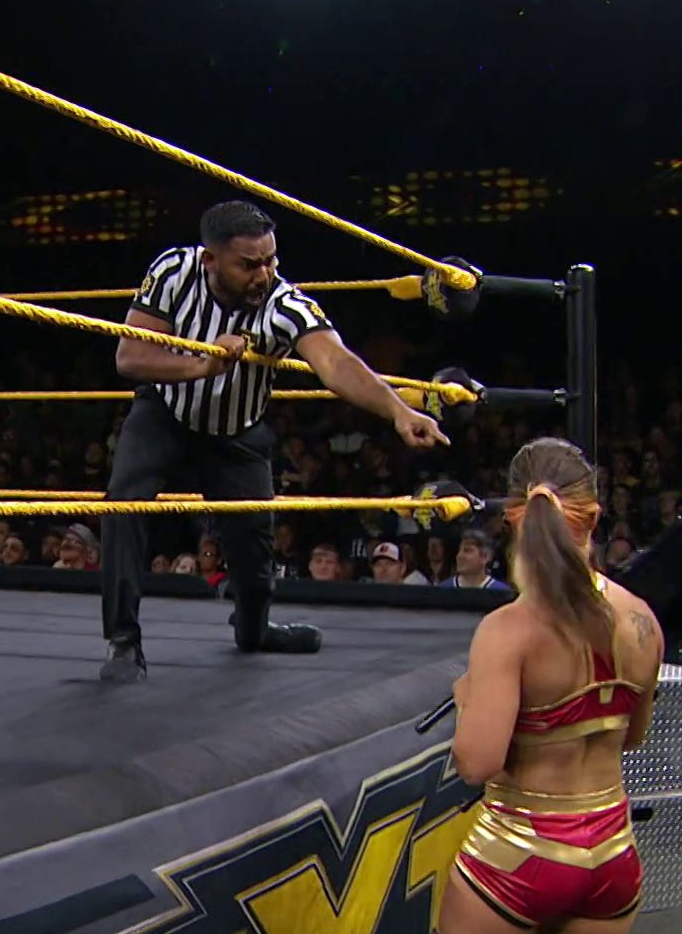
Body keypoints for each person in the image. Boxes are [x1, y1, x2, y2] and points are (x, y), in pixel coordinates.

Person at [98, 200, 446, 681]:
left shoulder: (284, 305)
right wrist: (202, 365)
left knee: (254, 548)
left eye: (270, 260)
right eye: (248, 264)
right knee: (122, 504)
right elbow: (130, 356)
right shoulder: (174, 271)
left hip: (237, 431)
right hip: (165, 413)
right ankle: (122, 640)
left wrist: (397, 411)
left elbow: (336, 363)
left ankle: (254, 628)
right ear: (211, 260)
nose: (263, 274)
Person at [424, 438, 663, 934]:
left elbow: (476, 763)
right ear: (594, 517)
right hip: (610, 851)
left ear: (513, 518)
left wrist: (469, 699)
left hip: (517, 852)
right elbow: (633, 736)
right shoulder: (642, 620)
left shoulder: (509, 630)